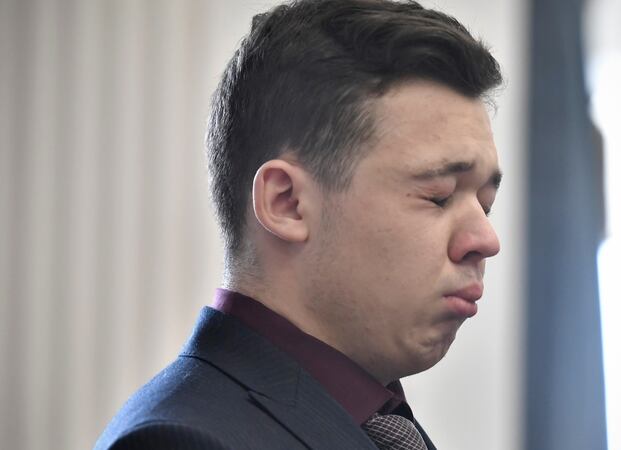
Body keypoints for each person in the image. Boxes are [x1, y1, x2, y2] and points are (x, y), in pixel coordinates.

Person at [94, 0, 502, 448]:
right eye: (438, 195)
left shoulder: (373, 419)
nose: (485, 239)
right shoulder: (182, 441)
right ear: (286, 203)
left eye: (485, 205)